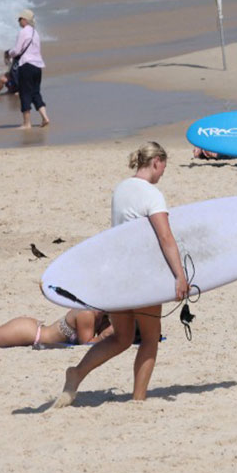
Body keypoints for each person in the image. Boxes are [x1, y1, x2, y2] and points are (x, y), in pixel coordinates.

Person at [51, 143, 188, 409]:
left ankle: (77, 373)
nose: (162, 175)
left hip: (117, 275)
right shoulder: (152, 194)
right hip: (142, 276)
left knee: (121, 338)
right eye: (163, 168)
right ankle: (138, 400)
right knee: (150, 338)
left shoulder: (121, 189)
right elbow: (165, 237)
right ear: (157, 161)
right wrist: (179, 275)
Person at [0, 308, 107, 351]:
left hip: (31, 331)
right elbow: (87, 345)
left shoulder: (100, 315)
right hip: (28, 333)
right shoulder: (87, 314)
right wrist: (109, 332)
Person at [7, 9, 50, 130]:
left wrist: (8, 53)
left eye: (19, 19)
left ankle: (27, 123)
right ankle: (45, 117)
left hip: (26, 65)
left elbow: (17, 50)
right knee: (35, 92)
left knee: (25, 93)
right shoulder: (35, 33)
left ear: (25, 20)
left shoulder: (23, 32)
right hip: (38, 66)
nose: (18, 21)